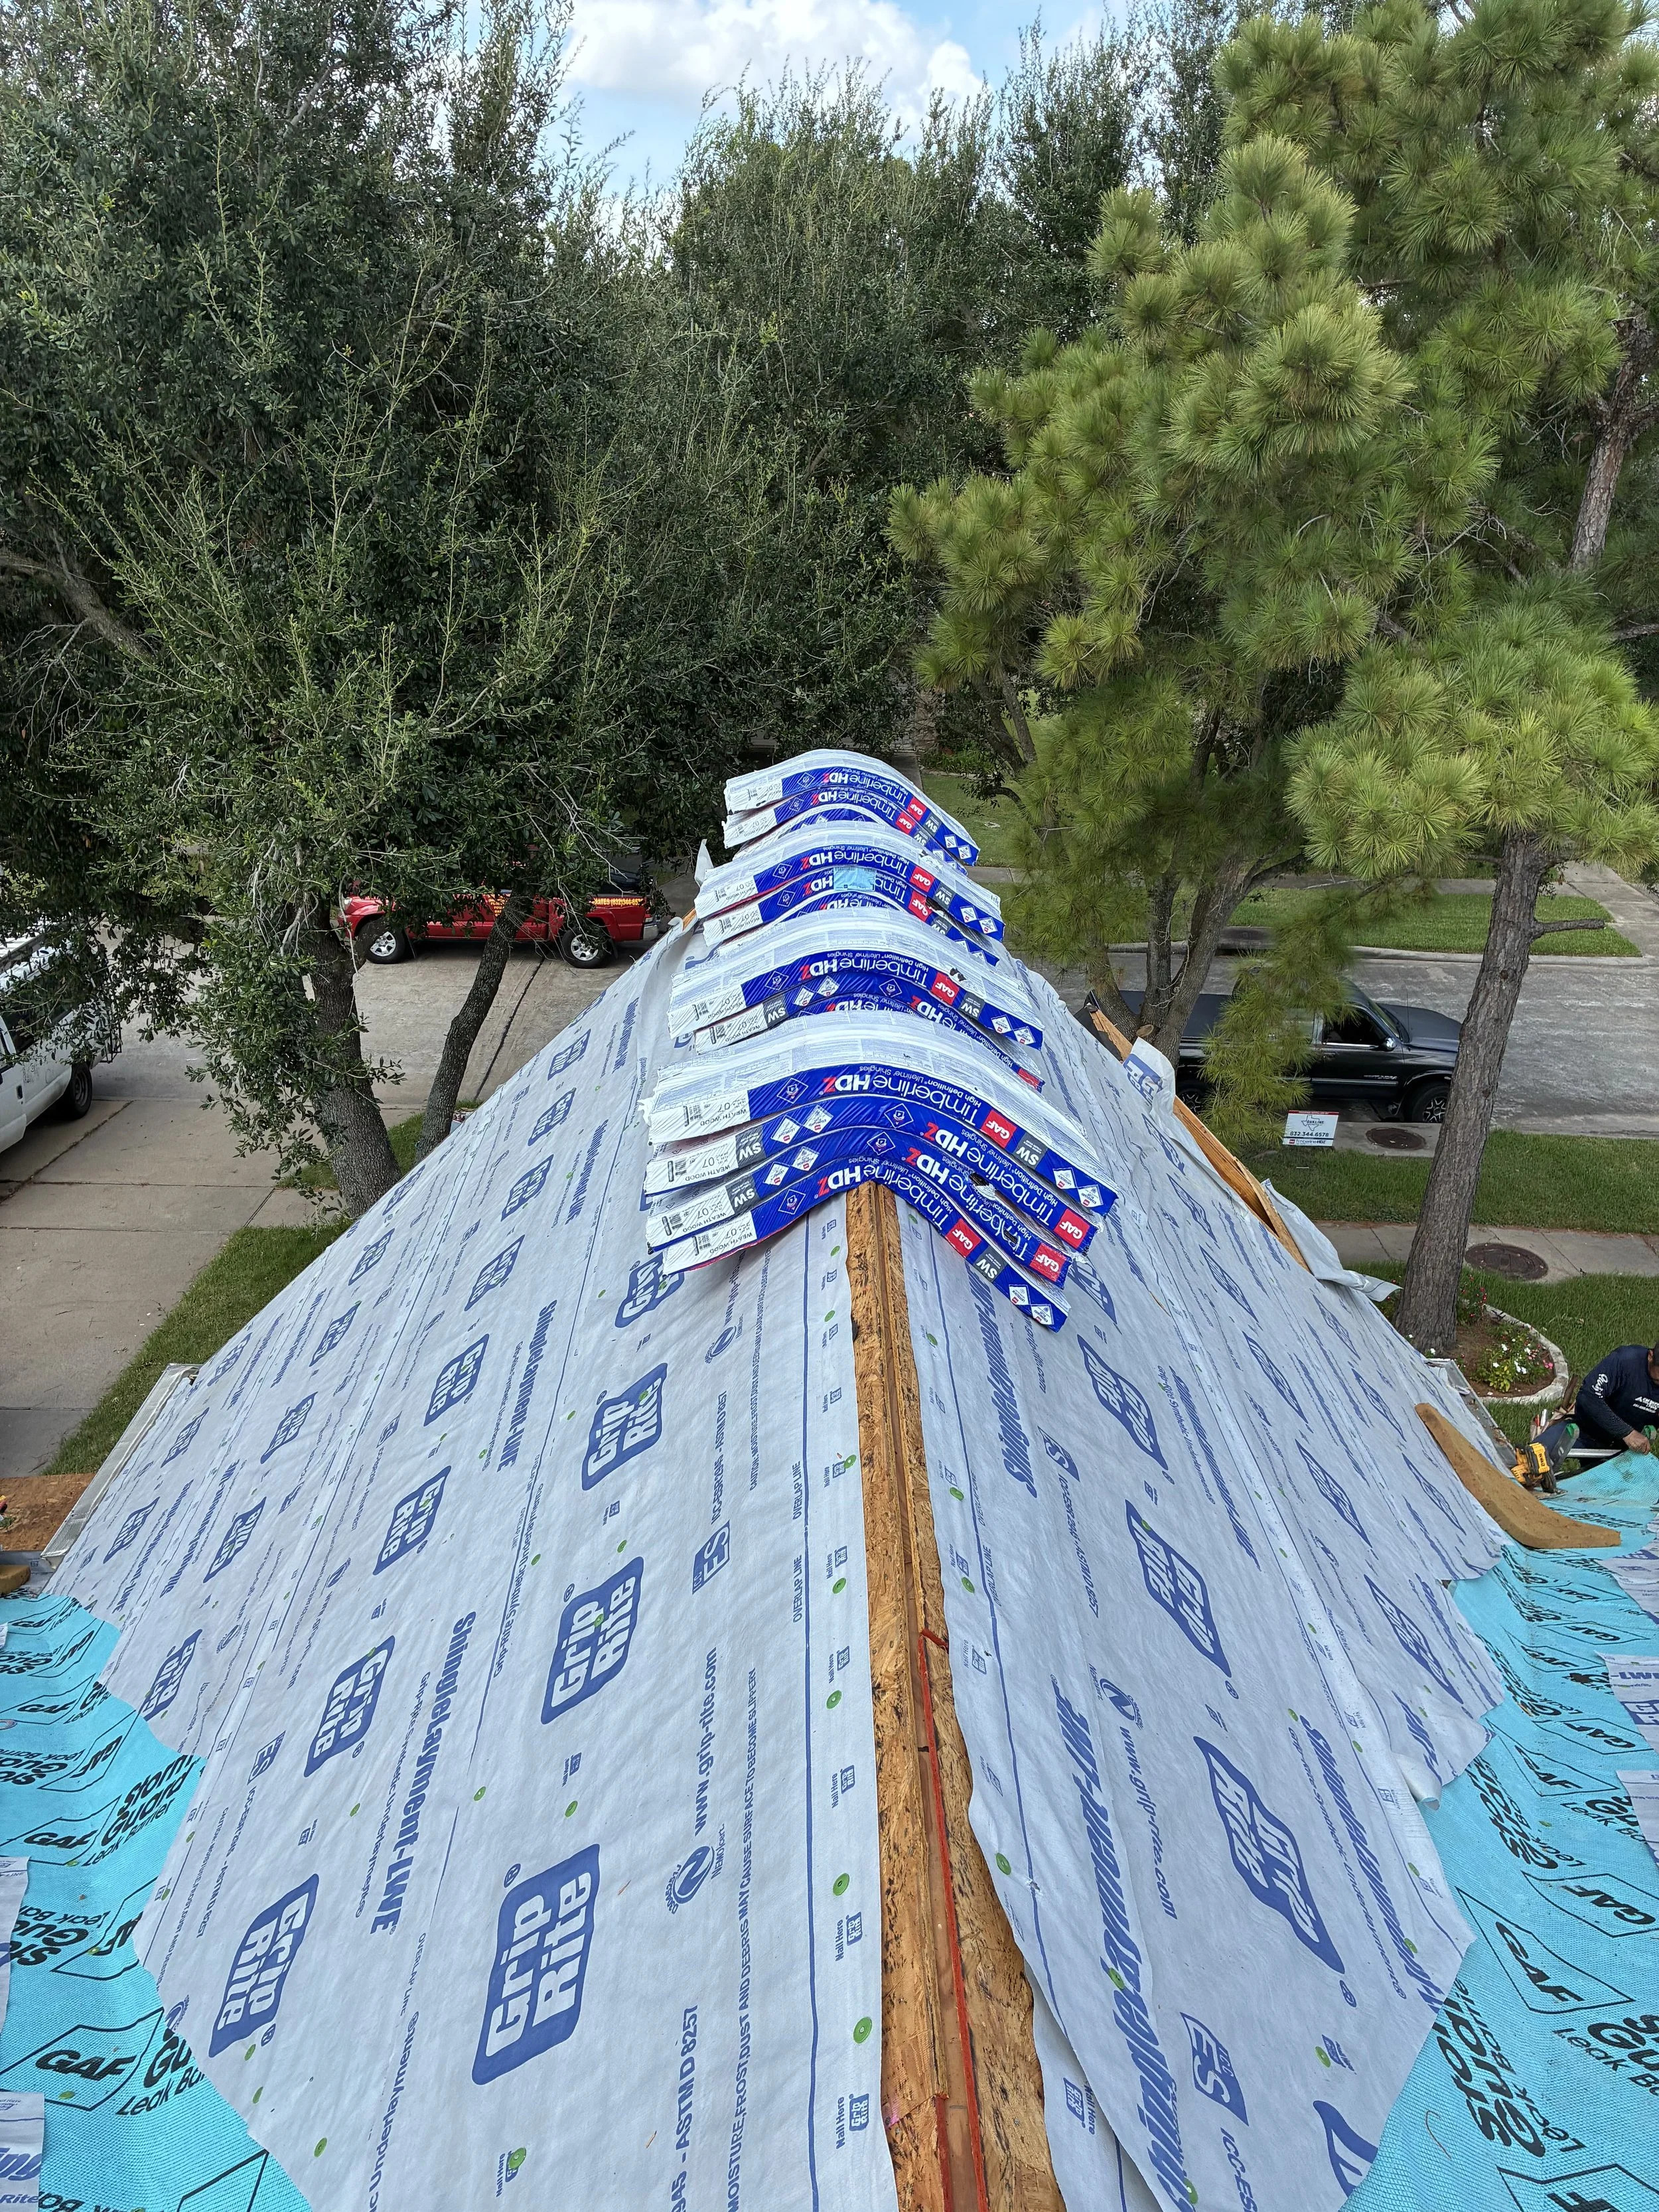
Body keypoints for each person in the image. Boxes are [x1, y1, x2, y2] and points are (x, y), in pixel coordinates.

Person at [1536, 1342, 1659, 1471]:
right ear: (1650, 1356)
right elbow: (1588, 1397)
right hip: (1586, 1430)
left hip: (1622, 1450)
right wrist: (1626, 1432)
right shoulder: (1625, 1361)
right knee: (1533, 1458)